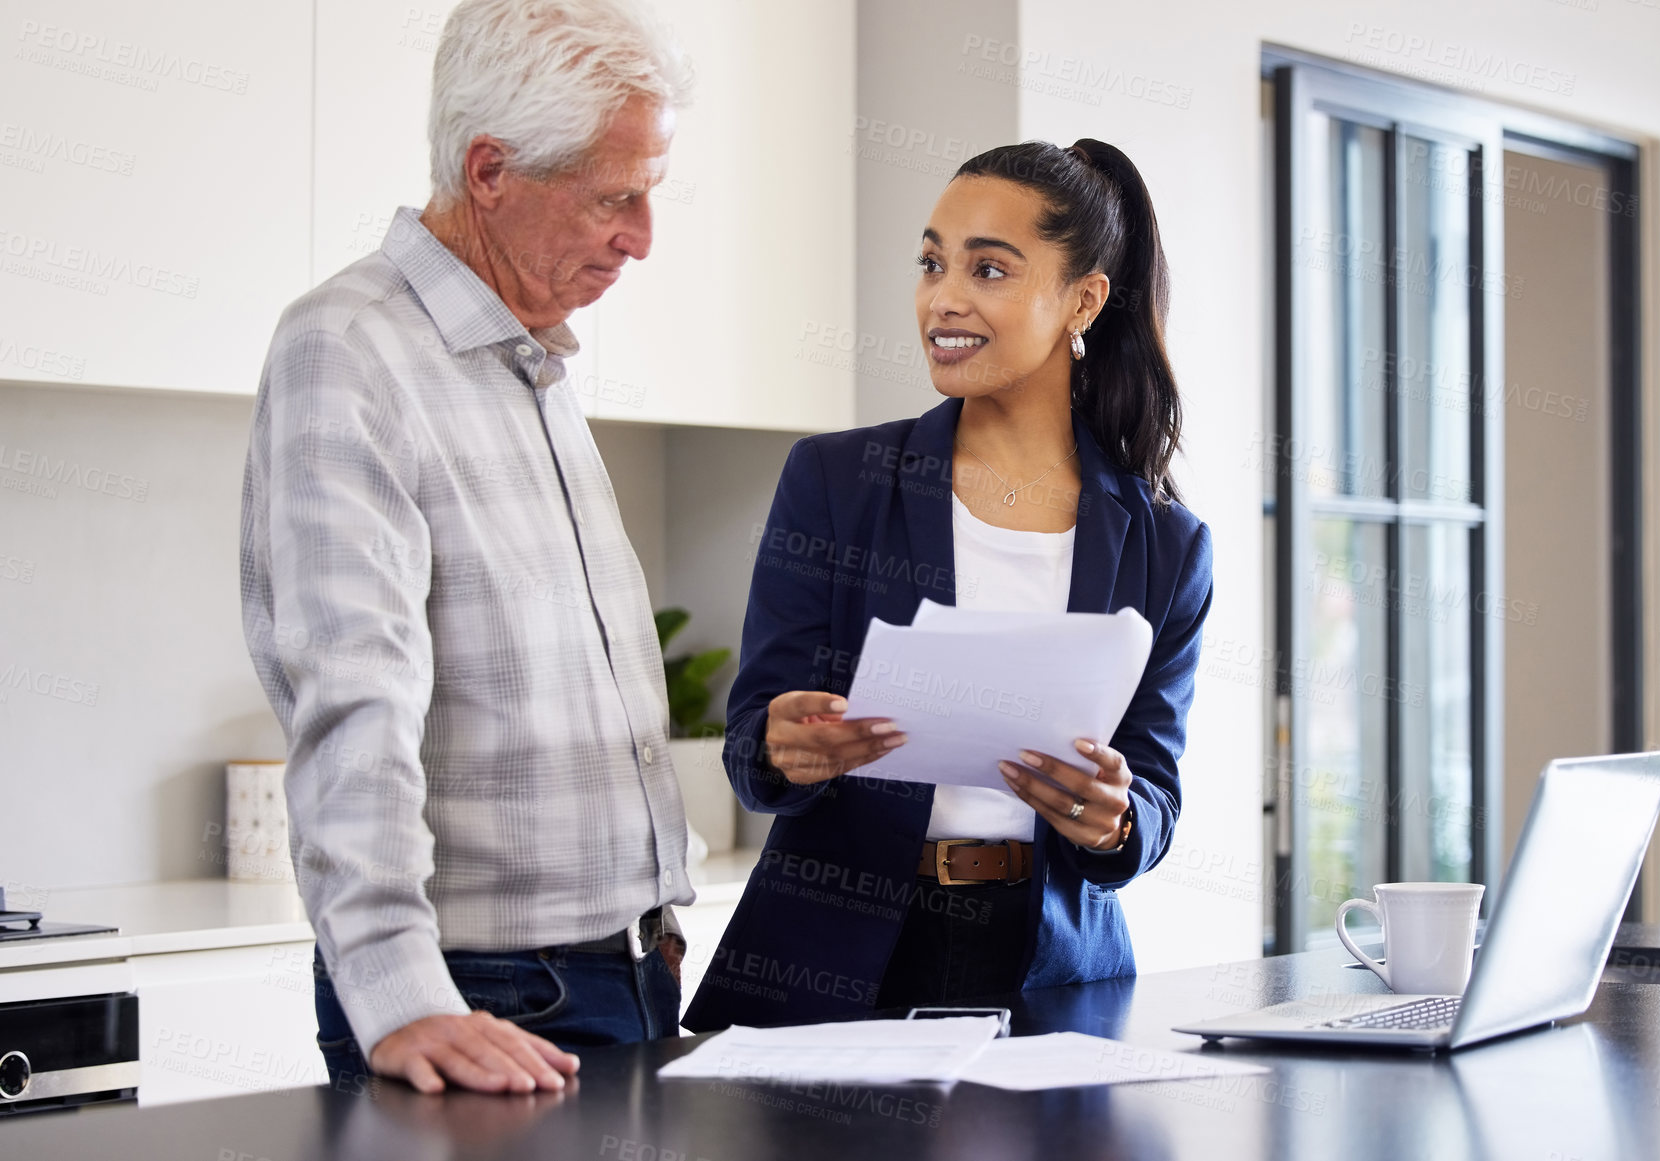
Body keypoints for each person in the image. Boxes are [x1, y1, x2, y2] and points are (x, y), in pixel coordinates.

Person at [239, 0, 694, 1095]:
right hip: (485, 993)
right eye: (613, 199)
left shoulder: (526, 358)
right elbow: (355, 696)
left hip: (622, 975)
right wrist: (397, 995)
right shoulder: (351, 350)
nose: (640, 237)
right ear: (489, 170)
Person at [683, 139, 1214, 1031]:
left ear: (1083, 299)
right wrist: (784, 747)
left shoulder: (1165, 541)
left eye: (990, 269)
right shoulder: (834, 481)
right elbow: (751, 744)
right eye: (932, 263)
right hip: (835, 961)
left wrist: (1116, 820)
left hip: (1054, 972)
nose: (944, 298)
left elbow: (1153, 787)